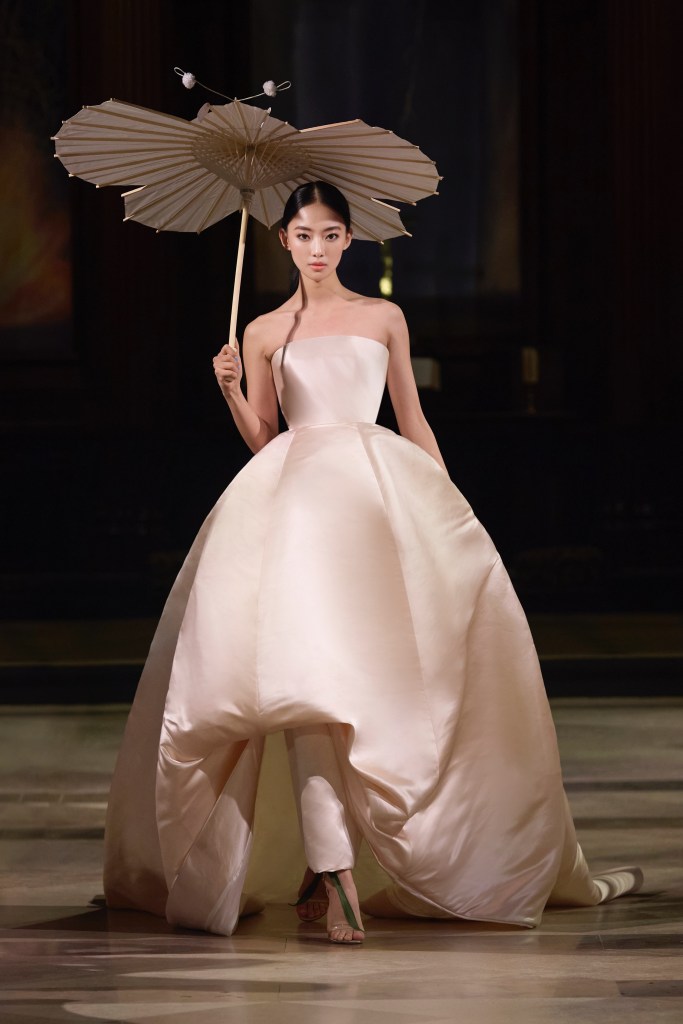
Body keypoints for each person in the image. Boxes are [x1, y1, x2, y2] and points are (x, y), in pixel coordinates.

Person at [103, 181, 642, 945]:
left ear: (348, 240)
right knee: (299, 682)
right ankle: (332, 872)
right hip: (290, 507)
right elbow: (264, 437)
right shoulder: (261, 330)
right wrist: (230, 391)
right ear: (282, 241)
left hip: (370, 501)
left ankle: (332, 866)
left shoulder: (382, 316)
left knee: (361, 684)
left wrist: (448, 513)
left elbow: (411, 417)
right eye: (303, 235)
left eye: (330, 235)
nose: (316, 248)